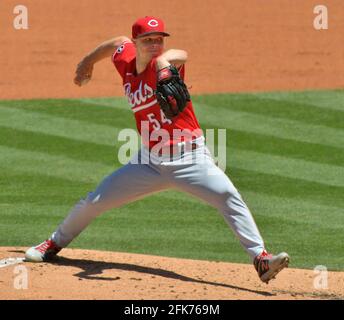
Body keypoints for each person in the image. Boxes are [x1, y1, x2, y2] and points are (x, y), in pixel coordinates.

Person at [25, 16, 289, 284]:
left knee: (228, 195)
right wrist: (87, 62)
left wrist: (163, 63)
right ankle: (52, 245)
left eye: (159, 40)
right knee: (95, 201)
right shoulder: (126, 62)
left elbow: (180, 54)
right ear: (136, 43)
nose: (155, 44)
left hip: (190, 159)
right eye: (148, 40)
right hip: (149, 163)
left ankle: (261, 259)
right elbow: (116, 43)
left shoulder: (167, 66)